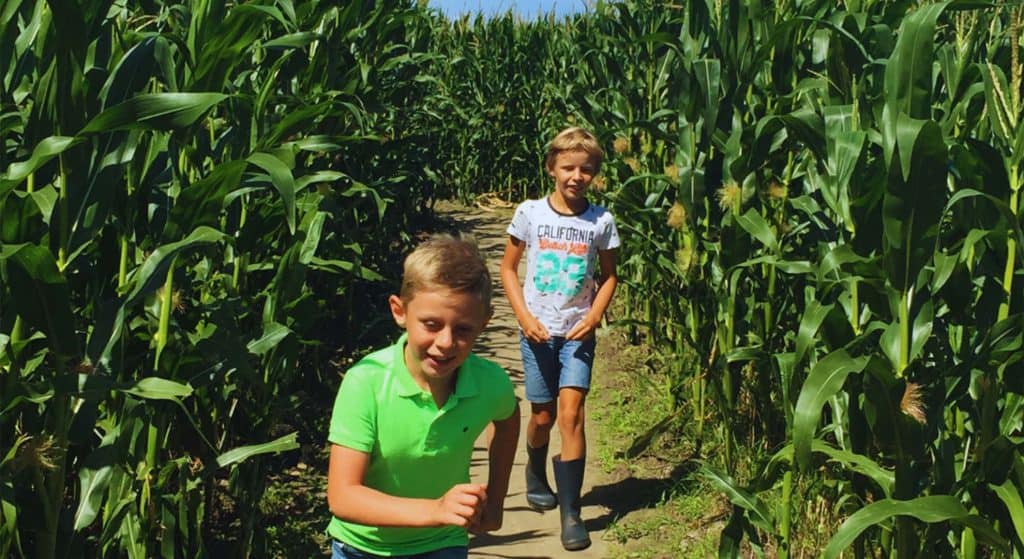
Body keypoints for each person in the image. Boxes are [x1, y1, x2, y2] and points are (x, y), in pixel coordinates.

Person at [326, 234, 521, 559]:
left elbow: (508, 419)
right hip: (362, 547)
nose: (445, 342)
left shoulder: (490, 383)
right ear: (399, 311)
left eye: (463, 330)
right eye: (431, 324)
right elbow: (343, 496)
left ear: (484, 322)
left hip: (442, 543)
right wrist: (435, 509)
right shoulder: (367, 382)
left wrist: (496, 498)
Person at [500, 126, 619, 551]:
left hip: (576, 333)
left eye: (586, 169)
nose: (576, 176)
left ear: (595, 174)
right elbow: (508, 269)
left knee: (571, 415)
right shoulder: (531, 214)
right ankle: (535, 467)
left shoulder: (601, 221)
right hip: (536, 331)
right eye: (568, 167)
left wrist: (594, 317)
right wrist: (523, 315)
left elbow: (609, 278)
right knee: (544, 417)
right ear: (552, 167)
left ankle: (572, 513)